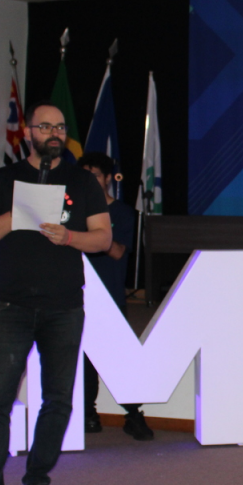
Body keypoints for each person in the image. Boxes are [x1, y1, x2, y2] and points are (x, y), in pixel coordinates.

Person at [0, 103, 112, 485]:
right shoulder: (3, 179)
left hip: (64, 306)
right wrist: (16, 215)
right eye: (45, 126)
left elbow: (103, 238)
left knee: (58, 400)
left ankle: (37, 481)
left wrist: (69, 236)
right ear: (28, 132)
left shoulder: (82, 182)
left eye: (60, 127)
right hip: (11, 305)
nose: (54, 133)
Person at [77, 152, 152, 442]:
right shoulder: (72, 211)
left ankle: (133, 414)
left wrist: (91, 234)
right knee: (83, 359)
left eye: (95, 175)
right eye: (84, 176)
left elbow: (119, 251)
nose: (90, 181)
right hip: (76, 293)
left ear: (108, 178)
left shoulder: (121, 213)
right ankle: (88, 413)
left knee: (118, 359)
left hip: (109, 295)